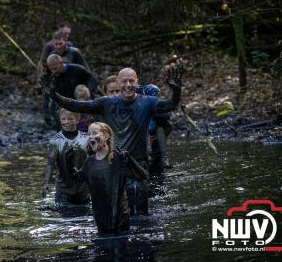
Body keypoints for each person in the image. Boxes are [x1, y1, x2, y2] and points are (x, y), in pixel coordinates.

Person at [45, 67, 182, 215]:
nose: (128, 85)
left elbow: (170, 105)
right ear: (118, 83)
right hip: (111, 164)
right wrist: (55, 95)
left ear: (137, 82)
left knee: (140, 215)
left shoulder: (148, 102)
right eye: (124, 81)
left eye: (131, 81)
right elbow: (77, 105)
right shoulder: (106, 103)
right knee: (113, 213)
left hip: (137, 165)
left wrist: (176, 91)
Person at [78, 122, 148, 235]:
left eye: (94, 133)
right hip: (101, 222)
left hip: (120, 221)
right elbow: (78, 182)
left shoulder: (117, 159)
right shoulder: (89, 162)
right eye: (89, 134)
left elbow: (142, 177)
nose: (90, 136)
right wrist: (67, 164)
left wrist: (131, 162)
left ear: (106, 136)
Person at [41, 108, 90, 205]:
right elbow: (50, 164)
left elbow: (94, 162)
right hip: (63, 189)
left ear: (77, 119)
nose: (66, 122)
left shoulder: (86, 139)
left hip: (84, 189)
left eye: (70, 119)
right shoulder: (55, 141)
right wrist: (46, 183)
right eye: (63, 119)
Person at [43, 54, 100, 128]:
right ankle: (62, 127)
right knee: (51, 105)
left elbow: (92, 80)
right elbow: (50, 94)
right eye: (51, 69)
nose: (53, 71)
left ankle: (91, 124)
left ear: (61, 63)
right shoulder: (51, 75)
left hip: (80, 96)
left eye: (55, 68)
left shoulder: (77, 69)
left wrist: (90, 91)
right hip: (65, 98)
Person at [137, 84, 173, 176]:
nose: (156, 97)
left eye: (157, 95)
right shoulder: (141, 102)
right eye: (155, 95)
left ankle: (163, 158)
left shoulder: (158, 105)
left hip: (157, 133)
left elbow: (167, 114)